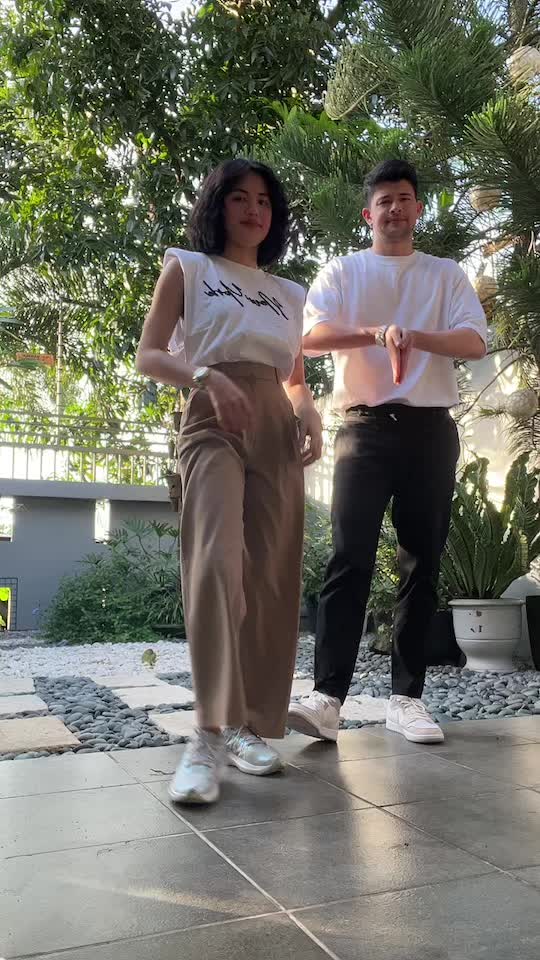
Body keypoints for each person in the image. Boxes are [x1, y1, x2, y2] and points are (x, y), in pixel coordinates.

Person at [136, 158, 322, 805]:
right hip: (212, 414)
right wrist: (204, 377)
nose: (253, 210)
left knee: (270, 575)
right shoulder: (188, 268)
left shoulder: (289, 293)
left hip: (273, 422)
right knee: (216, 563)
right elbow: (149, 353)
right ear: (218, 205)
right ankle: (208, 734)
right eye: (240, 197)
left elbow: (293, 375)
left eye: (264, 200)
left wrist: (308, 409)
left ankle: (247, 724)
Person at [288, 159, 487, 746]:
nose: (395, 208)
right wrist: (378, 333)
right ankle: (327, 697)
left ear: (418, 208)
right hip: (364, 428)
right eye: (384, 200)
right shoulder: (342, 271)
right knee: (347, 558)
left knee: (421, 562)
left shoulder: (445, 275)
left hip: (430, 429)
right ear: (367, 213)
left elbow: (475, 341)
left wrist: (414, 335)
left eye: (404, 198)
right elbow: (309, 338)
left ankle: (407, 699)